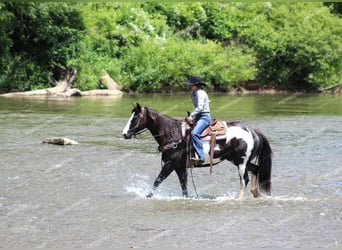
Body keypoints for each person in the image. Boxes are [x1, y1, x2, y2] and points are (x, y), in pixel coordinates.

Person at [184, 75, 211, 164]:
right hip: (198, 117)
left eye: (191, 85)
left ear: (196, 85)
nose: (189, 86)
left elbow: (200, 108)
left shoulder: (200, 93)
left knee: (194, 133)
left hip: (204, 117)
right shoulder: (194, 93)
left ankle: (201, 157)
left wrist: (191, 116)